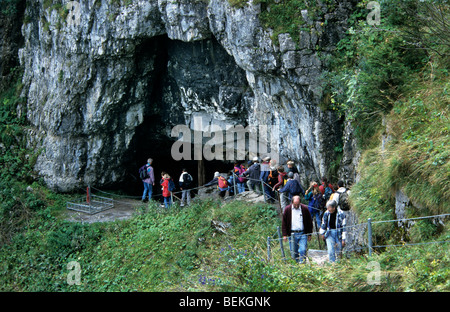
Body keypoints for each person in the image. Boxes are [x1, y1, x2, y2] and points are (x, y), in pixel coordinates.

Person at [281, 195, 313, 263]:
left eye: (297, 204)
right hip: (292, 234)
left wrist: (309, 234)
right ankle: (296, 264)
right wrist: (284, 234)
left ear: (300, 203)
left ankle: (302, 263)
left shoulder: (304, 209)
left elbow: (309, 221)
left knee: (303, 250)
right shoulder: (287, 209)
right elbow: (284, 222)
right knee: (294, 251)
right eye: (295, 204)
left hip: (302, 233)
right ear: (292, 202)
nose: (296, 206)